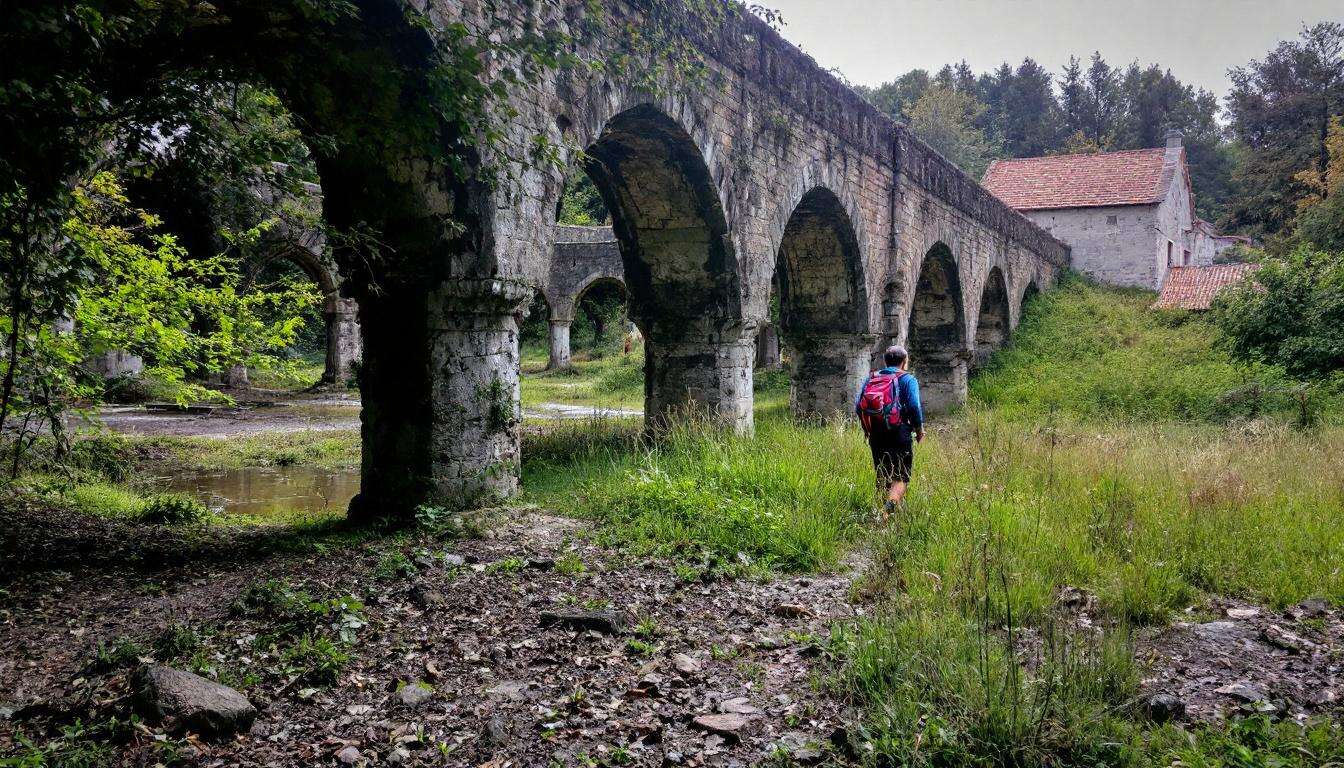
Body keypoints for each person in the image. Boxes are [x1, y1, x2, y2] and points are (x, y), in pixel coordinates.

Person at [855, 345, 925, 518]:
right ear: (904, 361)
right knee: (900, 476)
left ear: (885, 361)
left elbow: (859, 406)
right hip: (900, 432)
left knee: (882, 472)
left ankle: (879, 511)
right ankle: (887, 512)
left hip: (877, 432)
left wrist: (867, 428)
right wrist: (919, 430)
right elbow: (914, 406)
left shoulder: (872, 378)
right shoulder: (908, 379)